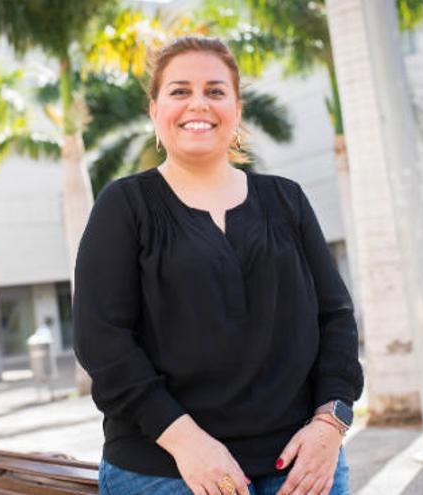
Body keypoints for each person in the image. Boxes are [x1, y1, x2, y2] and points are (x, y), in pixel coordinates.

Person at [73, 36, 364, 495]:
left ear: (236, 107)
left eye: (214, 90)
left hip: (300, 461)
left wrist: (331, 424)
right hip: (166, 464)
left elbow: (336, 319)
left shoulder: (286, 199)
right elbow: (102, 343)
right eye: (179, 91)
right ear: (154, 110)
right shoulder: (124, 206)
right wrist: (188, 443)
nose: (198, 104)